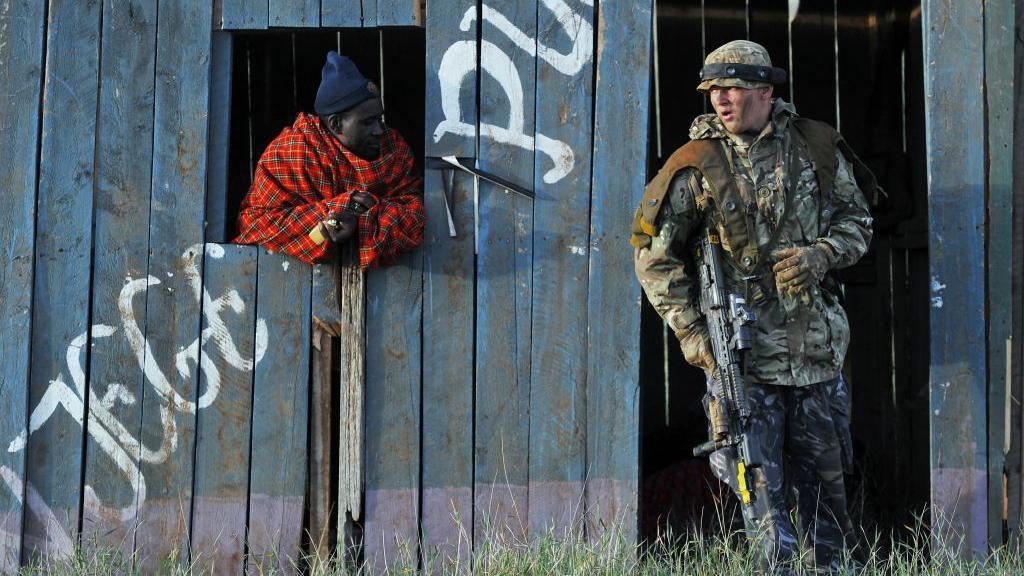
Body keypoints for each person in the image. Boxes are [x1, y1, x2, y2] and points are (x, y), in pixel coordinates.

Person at [632, 40, 875, 573]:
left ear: (766, 92)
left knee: (830, 511)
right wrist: (694, 335)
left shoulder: (816, 148)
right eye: (714, 90)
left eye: (734, 88)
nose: (721, 99)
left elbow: (858, 222)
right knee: (764, 513)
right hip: (743, 368)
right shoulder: (695, 165)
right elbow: (654, 259)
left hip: (816, 359)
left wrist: (822, 255)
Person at [234, 51, 424, 269]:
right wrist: (335, 213)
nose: (379, 130)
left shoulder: (393, 147)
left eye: (379, 119)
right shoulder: (293, 152)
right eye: (368, 122)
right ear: (335, 124)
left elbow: (418, 213)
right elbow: (255, 227)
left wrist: (359, 218)